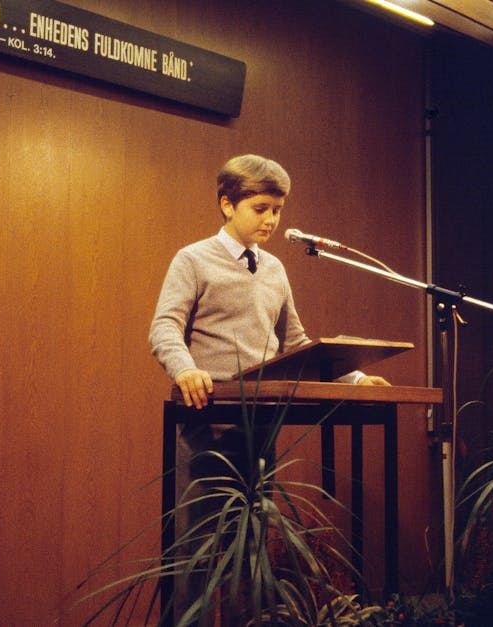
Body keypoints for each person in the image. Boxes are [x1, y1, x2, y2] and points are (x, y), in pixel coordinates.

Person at [148, 153, 389, 623]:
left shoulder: (276, 269)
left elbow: (296, 344)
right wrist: (185, 370)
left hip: (263, 422)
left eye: (277, 210)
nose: (271, 220)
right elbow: (164, 328)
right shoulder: (193, 259)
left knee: (250, 553)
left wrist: (356, 377)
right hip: (209, 419)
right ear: (227, 204)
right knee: (196, 552)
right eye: (260, 208)